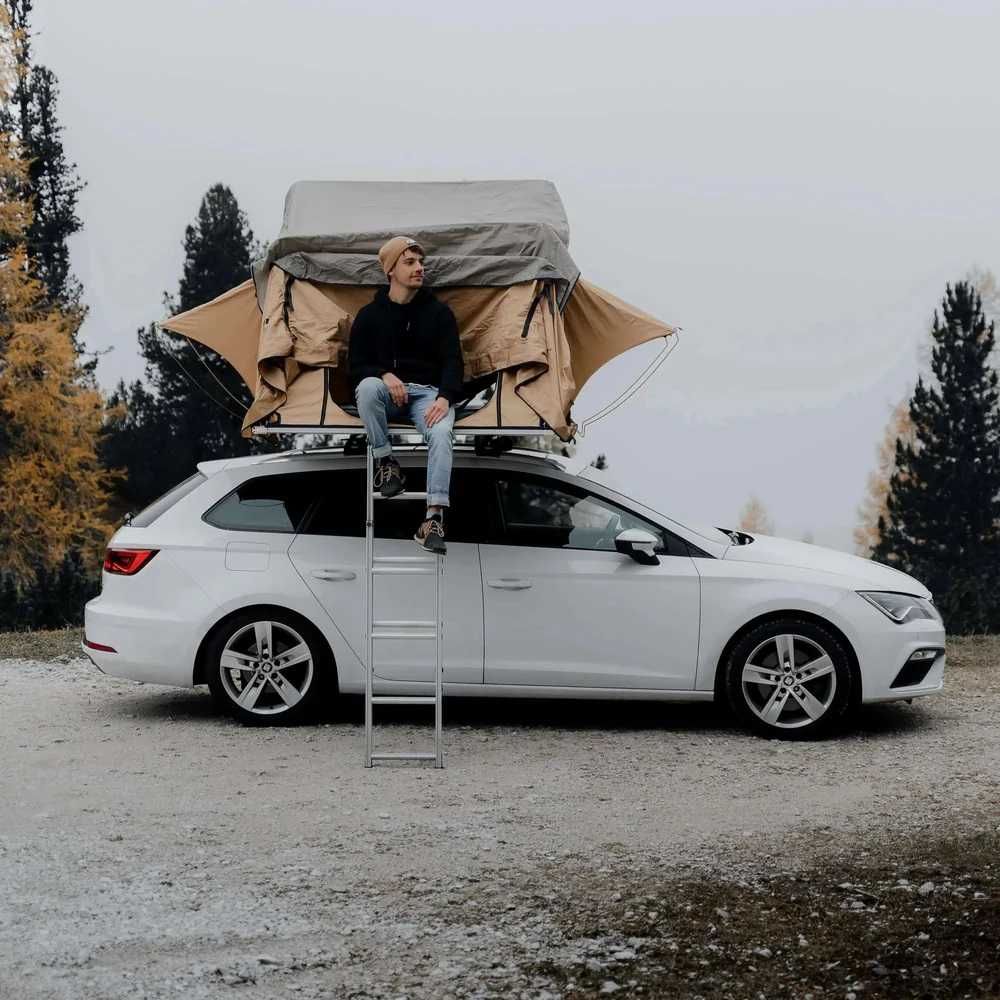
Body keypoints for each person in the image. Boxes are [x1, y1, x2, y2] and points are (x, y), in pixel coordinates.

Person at [347, 236, 464, 555]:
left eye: (420, 262)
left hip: (428, 395)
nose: (419, 268)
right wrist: (384, 374)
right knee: (368, 387)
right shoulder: (369, 316)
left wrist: (445, 397)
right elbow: (355, 368)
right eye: (409, 262)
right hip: (385, 394)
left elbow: (454, 361)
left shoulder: (439, 314)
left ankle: (433, 520)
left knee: (442, 433)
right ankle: (386, 463)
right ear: (390, 271)